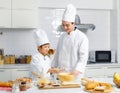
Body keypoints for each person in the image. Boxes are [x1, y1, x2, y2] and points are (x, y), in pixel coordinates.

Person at [51, 4, 89, 80]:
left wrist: (76, 71)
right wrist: (53, 68)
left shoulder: (82, 37)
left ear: (73, 23)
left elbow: (83, 58)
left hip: (75, 76)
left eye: (67, 25)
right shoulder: (62, 37)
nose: (65, 28)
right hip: (61, 75)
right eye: (63, 25)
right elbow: (57, 54)